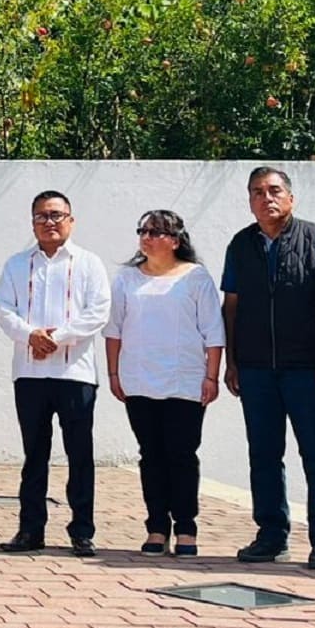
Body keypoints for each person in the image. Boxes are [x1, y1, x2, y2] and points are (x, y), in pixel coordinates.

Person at [221, 166, 315, 570]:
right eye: (257, 192)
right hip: (256, 368)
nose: (266, 198)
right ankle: (271, 535)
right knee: (264, 455)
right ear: (249, 200)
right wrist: (232, 360)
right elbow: (232, 307)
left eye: (274, 191)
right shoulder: (240, 245)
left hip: (308, 367)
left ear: (291, 197)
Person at [0, 191, 112, 557]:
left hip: (75, 372)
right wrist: (30, 335)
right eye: (42, 216)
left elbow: (98, 311)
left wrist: (55, 338)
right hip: (29, 373)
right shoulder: (16, 264)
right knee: (34, 455)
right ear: (32, 223)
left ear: (71, 220)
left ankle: (82, 531)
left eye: (57, 215)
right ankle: (30, 530)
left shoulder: (89, 263)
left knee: (80, 454)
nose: (49, 222)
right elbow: (2, 307)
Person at [105, 210, 226, 557]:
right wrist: (114, 373)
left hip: (185, 381)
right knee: (151, 455)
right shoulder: (128, 278)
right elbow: (114, 330)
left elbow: (213, 333)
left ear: (175, 240)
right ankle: (157, 526)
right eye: (143, 231)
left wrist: (211, 375)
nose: (147, 237)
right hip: (139, 380)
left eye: (156, 232)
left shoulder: (196, 277)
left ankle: (186, 527)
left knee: (182, 454)